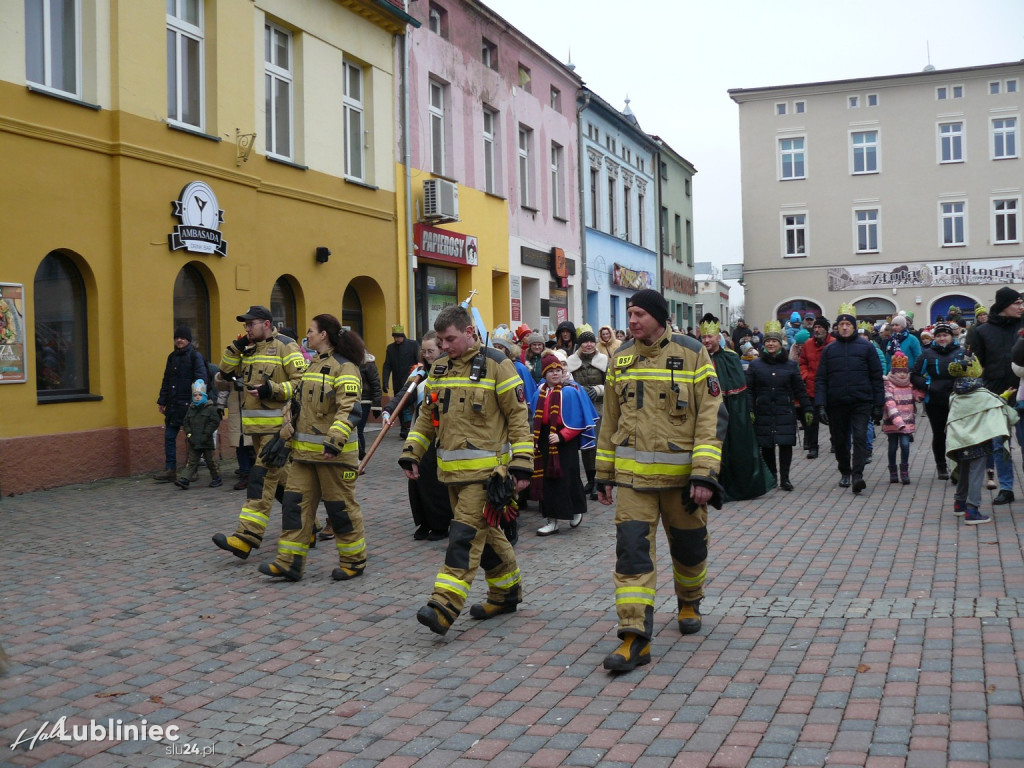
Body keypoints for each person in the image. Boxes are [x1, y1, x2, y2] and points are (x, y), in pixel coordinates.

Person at [597, 290, 724, 672]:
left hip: (683, 481)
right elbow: (610, 420)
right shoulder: (621, 358)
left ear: (658, 316)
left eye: (638, 314)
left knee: (689, 548)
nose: (632, 321)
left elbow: (711, 418)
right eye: (629, 313)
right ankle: (634, 636)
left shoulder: (692, 353)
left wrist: (704, 475)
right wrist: (603, 474)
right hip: (634, 481)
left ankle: (689, 599)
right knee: (632, 551)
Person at [400, 305, 533, 636]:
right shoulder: (440, 369)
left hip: (487, 476)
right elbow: (425, 416)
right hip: (450, 475)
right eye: (441, 341)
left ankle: (443, 606)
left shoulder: (497, 365)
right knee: (487, 537)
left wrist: (522, 464)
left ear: (470, 332)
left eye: (450, 339)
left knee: (465, 536)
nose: (443, 347)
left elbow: (519, 418)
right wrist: (411, 453)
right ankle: (506, 592)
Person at [256, 315, 366, 581]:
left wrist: (334, 441)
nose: (308, 335)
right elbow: (299, 407)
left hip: (333, 457)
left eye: (311, 331)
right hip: (303, 456)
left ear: (324, 334)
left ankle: (354, 561)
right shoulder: (313, 365)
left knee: (340, 510)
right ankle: (289, 562)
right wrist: (284, 435)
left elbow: (350, 408)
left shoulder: (345, 368)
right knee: (295, 508)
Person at [212, 306, 307, 560]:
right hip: (255, 430)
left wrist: (271, 389)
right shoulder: (248, 348)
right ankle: (309, 527)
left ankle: (246, 537)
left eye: (250, 324)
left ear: (266, 323)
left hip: (278, 430)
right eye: (244, 325)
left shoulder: (287, 346)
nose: (246, 329)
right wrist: (236, 345)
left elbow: (302, 383)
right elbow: (225, 373)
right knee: (283, 484)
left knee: (260, 480)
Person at [383, 330, 453, 542]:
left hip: (441, 434)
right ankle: (424, 521)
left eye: (432, 351)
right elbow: (405, 394)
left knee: (433, 481)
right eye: (425, 351)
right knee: (415, 479)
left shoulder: (449, 372)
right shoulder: (420, 373)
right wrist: (389, 410)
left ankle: (440, 524)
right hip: (420, 432)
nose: (428, 355)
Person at [701, 313, 774, 500]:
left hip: (729, 412)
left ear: (719, 337)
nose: (707, 340)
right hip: (705, 414)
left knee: (733, 449)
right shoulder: (698, 358)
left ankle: (733, 488)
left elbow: (736, 388)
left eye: (710, 336)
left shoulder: (731, 357)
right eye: (704, 337)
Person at [815, 303, 884, 494]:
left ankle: (857, 475)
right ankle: (845, 470)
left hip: (861, 401)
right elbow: (821, 379)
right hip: (836, 403)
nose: (845, 327)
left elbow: (876, 377)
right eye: (842, 324)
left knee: (861, 437)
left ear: (854, 327)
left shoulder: (866, 348)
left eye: (848, 324)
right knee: (840, 441)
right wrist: (820, 404)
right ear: (837, 327)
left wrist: (879, 404)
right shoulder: (830, 350)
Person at [946, 353, 1019, 525]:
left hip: (960, 440)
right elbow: (997, 404)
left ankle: (959, 504)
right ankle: (972, 510)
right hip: (979, 440)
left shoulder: (955, 394)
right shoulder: (982, 394)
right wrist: (1006, 396)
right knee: (976, 474)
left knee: (963, 471)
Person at [531, 353, 597, 535]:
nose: (555, 373)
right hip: (545, 439)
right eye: (550, 371)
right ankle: (551, 519)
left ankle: (575, 510)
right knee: (547, 480)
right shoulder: (540, 391)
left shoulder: (570, 391)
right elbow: (534, 418)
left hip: (564, 441)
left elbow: (577, 420)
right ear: (544, 374)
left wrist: (562, 436)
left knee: (568, 477)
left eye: (558, 370)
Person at [971, 287, 1024, 505]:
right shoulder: (982, 331)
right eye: (1017, 303)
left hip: (1023, 393)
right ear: (1004, 306)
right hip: (996, 396)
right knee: (1000, 444)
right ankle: (1006, 487)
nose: (1021, 307)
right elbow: (976, 365)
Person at [746, 321, 811, 492]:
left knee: (785, 444)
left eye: (774, 341)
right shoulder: (756, 365)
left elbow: (799, 389)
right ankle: (772, 477)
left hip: (784, 410)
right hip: (764, 410)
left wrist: (807, 408)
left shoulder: (790, 365)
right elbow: (750, 390)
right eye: (768, 341)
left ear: (779, 343)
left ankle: (786, 478)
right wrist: (750, 408)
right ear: (764, 344)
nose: (771, 344)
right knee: (767, 445)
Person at [155, 326, 210, 481]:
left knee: (191, 438)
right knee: (169, 436)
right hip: (173, 404)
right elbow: (166, 380)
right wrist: (162, 400)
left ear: (188, 340)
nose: (179, 340)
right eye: (177, 338)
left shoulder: (195, 356)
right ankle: (170, 469)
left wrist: (197, 401)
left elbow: (201, 379)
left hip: (189, 404)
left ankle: (191, 470)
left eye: (183, 338)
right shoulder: (171, 357)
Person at [911, 322, 959, 480]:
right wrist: (928, 385)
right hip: (935, 401)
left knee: (957, 434)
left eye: (945, 335)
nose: (942, 338)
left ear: (951, 336)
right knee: (939, 434)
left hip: (957, 399)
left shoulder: (961, 352)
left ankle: (957, 466)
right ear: (934, 337)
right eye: (938, 336)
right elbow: (915, 375)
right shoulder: (927, 354)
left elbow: (971, 372)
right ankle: (941, 466)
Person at [567, 324, 607, 500]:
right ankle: (590, 480)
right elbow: (567, 382)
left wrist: (598, 390)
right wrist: (579, 390)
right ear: (580, 344)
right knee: (586, 446)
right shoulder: (571, 362)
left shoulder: (604, 361)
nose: (588, 345)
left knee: (597, 445)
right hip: (580, 408)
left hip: (599, 408)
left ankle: (599, 481)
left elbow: (612, 384)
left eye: (591, 341)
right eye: (585, 342)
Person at [173, 379, 223, 488]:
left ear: (204, 396)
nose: (197, 397)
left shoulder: (210, 408)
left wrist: (207, 433)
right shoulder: (191, 409)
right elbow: (186, 422)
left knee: (210, 461)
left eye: (199, 395)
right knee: (192, 461)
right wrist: (189, 434)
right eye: (195, 395)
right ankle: (185, 479)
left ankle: (217, 477)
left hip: (206, 440)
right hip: (194, 440)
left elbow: (214, 422)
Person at [881, 352, 921, 485]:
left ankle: (904, 470)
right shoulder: (888, 385)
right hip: (893, 422)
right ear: (893, 371)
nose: (902, 375)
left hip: (907, 421)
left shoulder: (910, 384)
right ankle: (892, 470)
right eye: (899, 372)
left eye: (904, 372)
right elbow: (890, 404)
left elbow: (917, 395)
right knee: (892, 446)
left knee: (905, 445)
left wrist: (922, 391)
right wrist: (898, 422)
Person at [798, 316, 833, 459]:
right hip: (812, 386)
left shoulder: (833, 344)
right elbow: (802, 363)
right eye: (815, 328)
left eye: (820, 327)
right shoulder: (808, 344)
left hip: (830, 388)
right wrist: (805, 375)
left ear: (826, 329)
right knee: (811, 420)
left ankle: (835, 443)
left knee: (833, 419)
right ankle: (813, 447)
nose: (817, 330)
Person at [381, 324, 420, 439]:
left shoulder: (413, 345)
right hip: (398, 381)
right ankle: (404, 428)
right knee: (400, 406)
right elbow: (387, 365)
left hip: (412, 381)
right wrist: (385, 381)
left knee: (410, 405)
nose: (396, 339)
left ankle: (412, 426)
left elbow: (419, 362)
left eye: (398, 337)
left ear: (403, 335)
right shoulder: (391, 348)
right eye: (394, 337)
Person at [357, 350, 383, 460]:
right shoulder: (348, 363)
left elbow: (375, 384)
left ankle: (360, 459)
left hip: (364, 401)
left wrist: (376, 405)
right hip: (352, 400)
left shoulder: (368, 364)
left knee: (358, 430)